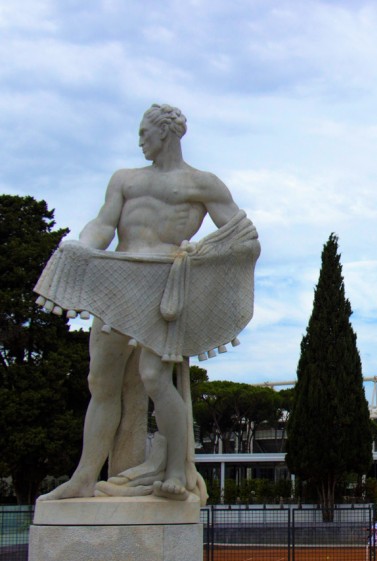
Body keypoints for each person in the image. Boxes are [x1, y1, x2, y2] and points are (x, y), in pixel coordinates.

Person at [38, 104, 259, 502]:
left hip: (163, 291)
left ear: (165, 133)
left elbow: (243, 235)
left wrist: (201, 252)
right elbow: (104, 224)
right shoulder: (125, 180)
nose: (140, 140)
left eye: (144, 132)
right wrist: (83, 247)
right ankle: (85, 477)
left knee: (155, 377)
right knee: (99, 383)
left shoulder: (202, 183)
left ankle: (175, 469)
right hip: (119, 283)